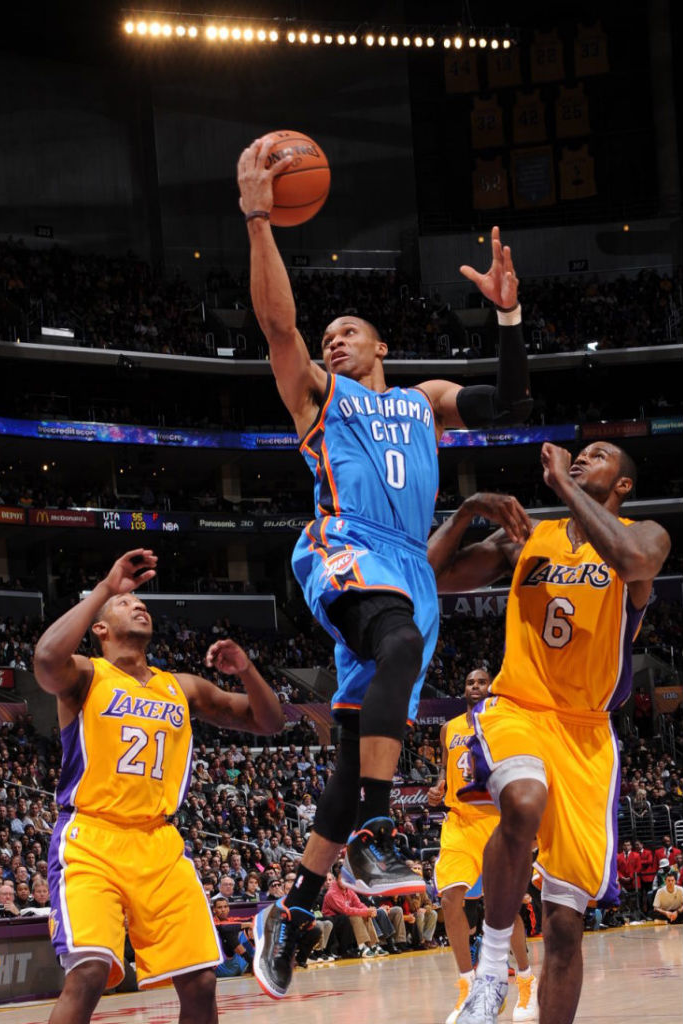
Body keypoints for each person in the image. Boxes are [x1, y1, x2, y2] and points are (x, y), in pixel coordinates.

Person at [237, 139, 532, 1000]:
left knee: (348, 756)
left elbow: (506, 401)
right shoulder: (320, 397)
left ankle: (289, 913)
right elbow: (278, 326)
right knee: (397, 642)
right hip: (345, 540)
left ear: (380, 345)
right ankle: (374, 829)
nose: (333, 340)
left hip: (405, 563)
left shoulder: (419, 401)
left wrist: (509, 322)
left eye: (349, 332)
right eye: (329, 336)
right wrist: (260, 220)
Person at [427, 442, 671, 1024]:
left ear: (624, 486)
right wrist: (464, 514)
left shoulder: (647, 534)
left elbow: (633, 561)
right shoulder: (528, 540)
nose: (583, 458)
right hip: (521, 705)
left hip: (588, 733)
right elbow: (428, 577)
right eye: (578, 455)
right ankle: (490, 975)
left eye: (600, 455)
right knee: (522, 798)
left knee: (565, 925)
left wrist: (563, 484)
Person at [33, 549, 284, 1024]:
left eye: (142, 603)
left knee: (201, 980)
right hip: (91, 837)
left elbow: (268, 722)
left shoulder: (181, 687)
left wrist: (247, 671)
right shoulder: (86, 674)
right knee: (88, 973)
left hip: (159, 842)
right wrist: (107, 587)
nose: (139, 605)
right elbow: (46, 658)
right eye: (126, 605)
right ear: (100, 629)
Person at [428, 669, 537, 1023]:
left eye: (481, 681)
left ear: (492, 686)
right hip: (459, 822)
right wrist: (437, 790)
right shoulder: (449, 728)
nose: (475, 686)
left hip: (495, 821)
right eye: (469, 682)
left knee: (501, 908)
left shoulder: (505, 722)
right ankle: (468, 987)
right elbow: (446, 774)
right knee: (450, 899)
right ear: (463, 689)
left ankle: (525, 980)